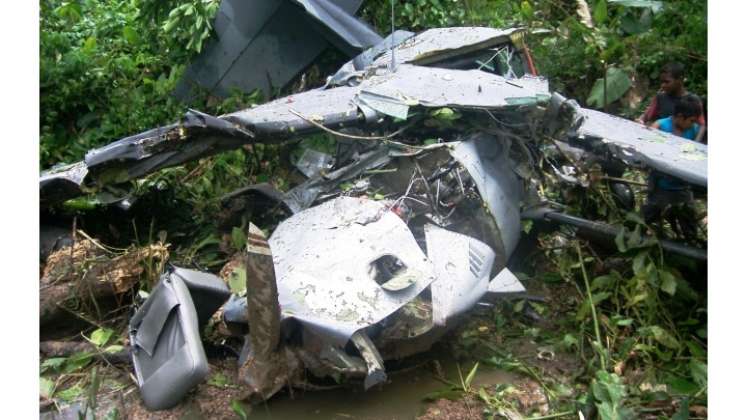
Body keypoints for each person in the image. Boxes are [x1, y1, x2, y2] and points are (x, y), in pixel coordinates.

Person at [641, 95, 703, 244]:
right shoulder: (659, 126)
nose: (694, 124)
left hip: (682, 186)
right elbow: (647, 151)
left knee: (689, 222)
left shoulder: (693, 129)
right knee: (647, 218)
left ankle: (691, 244)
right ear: (680, 117)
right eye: (692, 120)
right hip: (660, 184)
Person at [638, 62, 706, 142]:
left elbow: (702, 125)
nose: (662, 85)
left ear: (680, 80)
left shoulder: (693, 100)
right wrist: (640, 121)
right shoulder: (660, 97)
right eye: (661, 82)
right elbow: (646, 116)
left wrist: (695, 143)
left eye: (667, 82)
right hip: (659, 140)